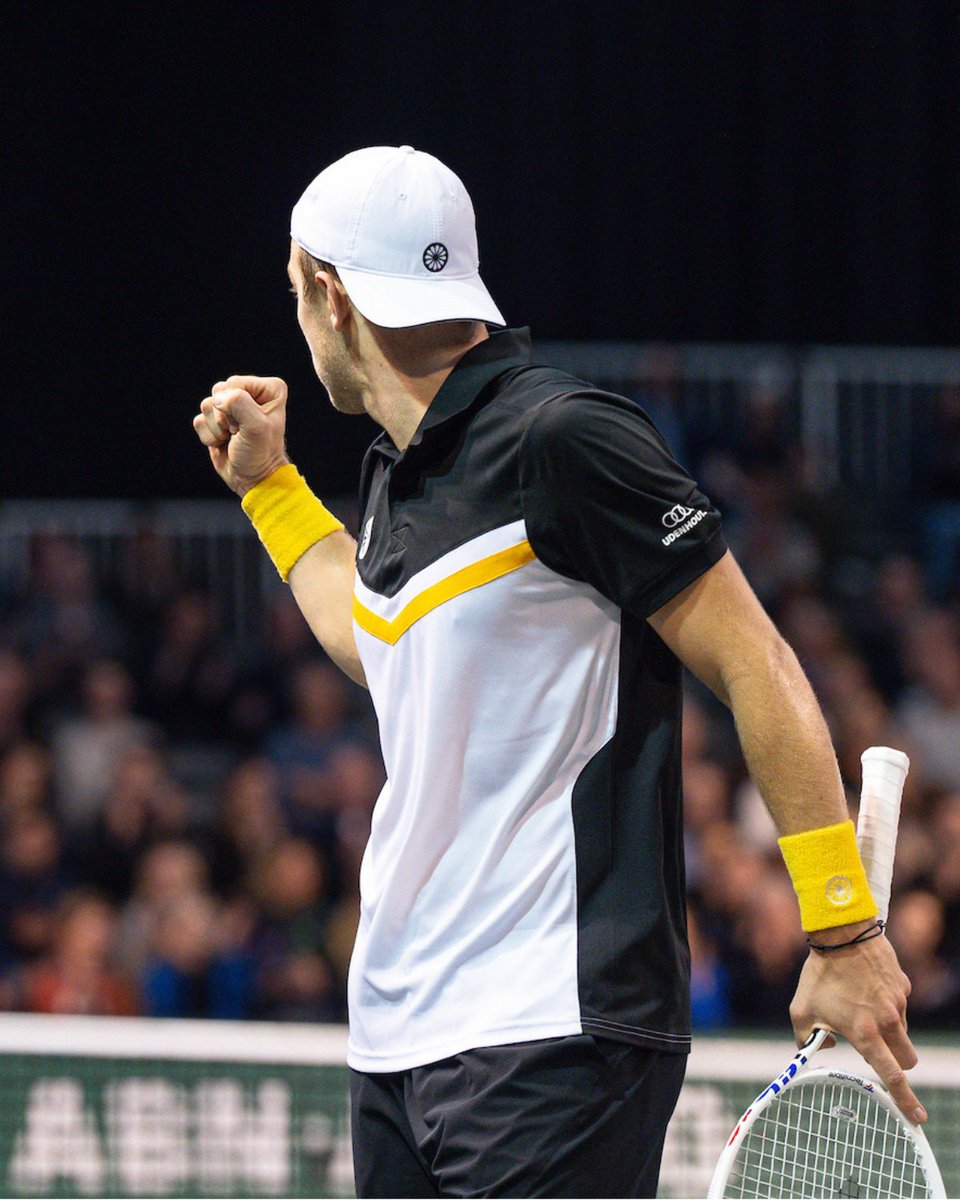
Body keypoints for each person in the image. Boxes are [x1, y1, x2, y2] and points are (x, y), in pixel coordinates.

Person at [193, 145, 924, 1198]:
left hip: (556, 1030)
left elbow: (754, 661)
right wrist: (270, 490)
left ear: (331, 295)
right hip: (398, 1038)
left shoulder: (563, 438)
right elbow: (373, 645)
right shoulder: (400, 483)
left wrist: (843, 927)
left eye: (295, 289)